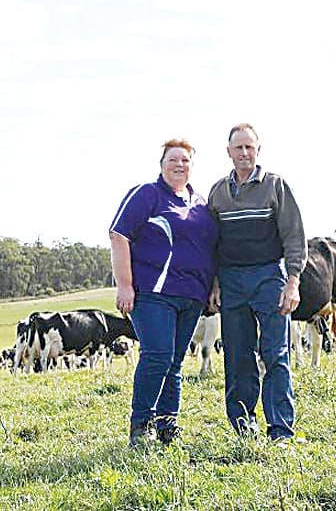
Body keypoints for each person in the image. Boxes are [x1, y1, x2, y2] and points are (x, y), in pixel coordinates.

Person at [109, 139, 218, 447]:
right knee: (158, 355)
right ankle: (141, 425)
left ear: (192, 166)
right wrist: (125, 285)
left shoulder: (200, 203)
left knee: (175, 362)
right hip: (153, 293)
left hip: (192, 295)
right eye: (173, 159)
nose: (179, 164)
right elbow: (118, 236)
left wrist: (212, 288)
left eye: (185, 160)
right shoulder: (147, 194)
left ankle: (168, 425)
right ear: (162, 164)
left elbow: (210, 248)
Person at [208, 123, 306, 442]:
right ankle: (243, 427)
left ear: (258, 150)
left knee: (275, 354)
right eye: (239, 147)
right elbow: (212, 243)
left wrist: (292, 281)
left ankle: (280, 430)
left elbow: (294, 236)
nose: (245, 153)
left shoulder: (275, 187)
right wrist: (215, 284)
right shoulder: (218, 193)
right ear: (229, 152)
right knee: (237, 355)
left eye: (250, 147)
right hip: (231, 280)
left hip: (269, 277)